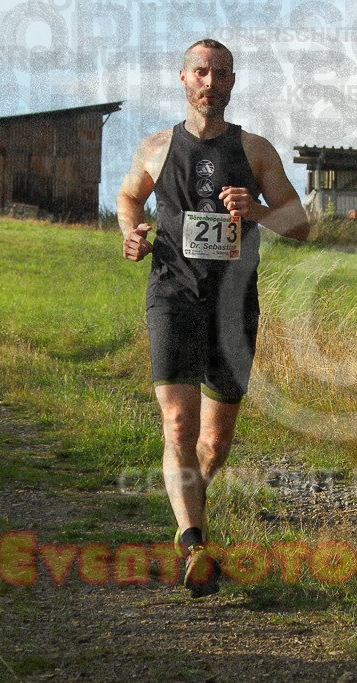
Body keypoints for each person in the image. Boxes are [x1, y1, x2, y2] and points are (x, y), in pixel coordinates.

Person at [118, 38, 309, 597]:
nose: (209, 81)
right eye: (200, 71)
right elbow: (131, 198)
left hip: (233, 305)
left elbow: (300, 223)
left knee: (214, 443)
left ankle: (187, 507)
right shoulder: (156, 147)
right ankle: (193, 544)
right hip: (172, 292)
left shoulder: (255, 151)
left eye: (220, 73)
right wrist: (130, 232)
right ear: (183, 79)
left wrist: (260, 211)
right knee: (177, 423)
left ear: (231, 82)